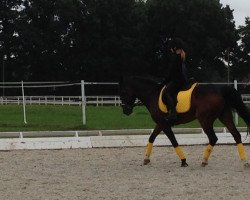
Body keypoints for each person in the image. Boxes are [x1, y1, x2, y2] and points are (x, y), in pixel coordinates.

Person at [163, 38, 189, 122]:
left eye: (171, 48)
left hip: (177, 81)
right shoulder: (181, 57)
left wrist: (164, 81)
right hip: (182, 80)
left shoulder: (175, 58)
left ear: (174, 48)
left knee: (167, 92)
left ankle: (173, 113)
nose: (170, 49)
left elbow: (171, 73)